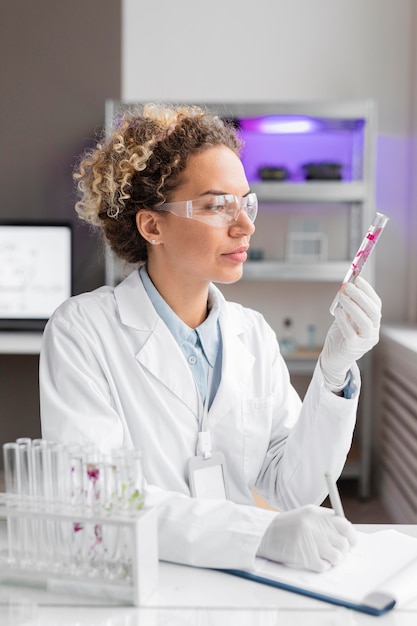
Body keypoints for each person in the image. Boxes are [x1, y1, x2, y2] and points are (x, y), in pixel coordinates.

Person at [40, 103, 381, 573]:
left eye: (246, 203)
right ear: (152, 225)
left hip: (240, 582)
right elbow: (97, 499)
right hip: (138, 581)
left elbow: (292, 486)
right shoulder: (83, 331)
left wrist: (336, 371)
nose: (245, 225)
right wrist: (260, 533)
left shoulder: (252, 335)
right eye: (218, 205)